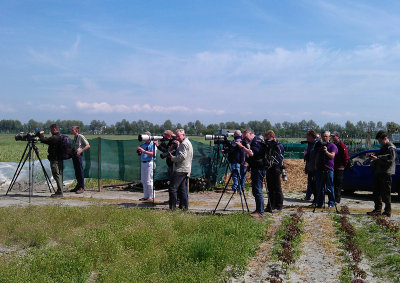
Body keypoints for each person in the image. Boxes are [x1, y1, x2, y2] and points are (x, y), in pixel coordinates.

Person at [237, 129, 266, 218]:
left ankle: (260, 212)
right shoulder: (253, 142)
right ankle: (258, 209)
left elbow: (252, 153)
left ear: (251, 133)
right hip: (255, 168)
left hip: (258, 169)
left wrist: (241, 147)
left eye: (246, 136)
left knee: (257, 190)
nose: (246, 139)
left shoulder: (256, 141)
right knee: (255, 190)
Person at [368, 130, 396, 217]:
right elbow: (379, 156)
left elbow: (390, 160)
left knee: (386, 194)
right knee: (376, 192)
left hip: (386, 173)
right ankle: (377, 210)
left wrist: (377, 158)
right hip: (379, 172)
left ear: (385, 138)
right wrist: (372, 156)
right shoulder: (383, 147)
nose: (380, 143)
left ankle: (387, 212)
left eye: (380, 141)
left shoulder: (391, 148)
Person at [169, 129, 193, 210]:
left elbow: (182, 157)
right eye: (176, 136)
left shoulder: (184, 144)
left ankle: (172, 208)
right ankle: (184, 207)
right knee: (182, 189)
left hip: (180, 169)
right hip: (186, 169)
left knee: (173, 188)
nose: (177, 137)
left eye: (178, 136)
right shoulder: (188, 142)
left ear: (183, 135)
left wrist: (172, 158)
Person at [39, 124, 64, 197]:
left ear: (54, 129)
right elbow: (48, 140)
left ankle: (60, 192)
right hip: (60, 158)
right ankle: (60, 190)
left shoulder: (55, 137)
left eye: (51, 129)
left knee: (56, 174)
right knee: (59, 174)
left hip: (55, 159)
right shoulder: (60, 136)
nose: (50, 131)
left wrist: (40, 134)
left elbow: (44, 140)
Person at [315, 131, 338, 208]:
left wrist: (326, 151)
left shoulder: (332, 146)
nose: (324, 138)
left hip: (328, 169)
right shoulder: (318, 145)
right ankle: (319, 203)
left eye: (326, 136)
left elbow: (332, 156)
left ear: (329, 137)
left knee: (329, 187)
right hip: (319, 169)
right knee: (319, 187)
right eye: (323, 136)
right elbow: (316, 155)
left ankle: (331, 203)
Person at [264, 130, 285, 212]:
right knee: (270, 188)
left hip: (276, 168)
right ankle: (270, 205)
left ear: (272, 137)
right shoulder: (269, 145)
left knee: (277, 187)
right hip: (269, 168)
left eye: (268, 138)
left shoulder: (279, 145)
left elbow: (279, 157)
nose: (267, 140)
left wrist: (273, 146)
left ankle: (278, 206)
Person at [136, 131, 157, 201]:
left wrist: (143, 151)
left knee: (149, 180)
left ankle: (151, 196)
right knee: (143, 180)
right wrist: (139, 151)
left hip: (149, 163)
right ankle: (145, 196)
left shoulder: (153, 144)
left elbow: (153, 154)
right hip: (143, 163)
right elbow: (140, 155)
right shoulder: (143, 145)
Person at [70, 126, 90, 194]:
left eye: (73, 130)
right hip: (75, 155)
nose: (72, 131)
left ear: (76, 131)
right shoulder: (75, 137)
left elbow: (87, 145)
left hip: (79, 155)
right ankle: (78, 186)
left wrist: (80, 151)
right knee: (77, 171)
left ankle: (82, 187)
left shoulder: (80, 136)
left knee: (80, 171)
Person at [331, 131, 349, 203]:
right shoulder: (334, 144)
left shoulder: (341, 145)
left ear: (338, 136)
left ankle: (337, 199)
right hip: (334, 166)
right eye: (332, 136)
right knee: (334, 183)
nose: (333, 137)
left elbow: (346, 157)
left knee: (338, 184)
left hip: (340, 167)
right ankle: (334, 198)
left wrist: (343, 166)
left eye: (334, 136)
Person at [303, 129, 319, 203]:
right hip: (310, 167)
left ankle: (316, 200)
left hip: (315, 168)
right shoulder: (310, 144)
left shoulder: (317, 144)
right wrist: (306, 167)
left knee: (315, 185)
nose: (306, 137)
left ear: (310, 136)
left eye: (307, 136)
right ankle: (314, 199)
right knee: (311, 184)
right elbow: (308, 157)